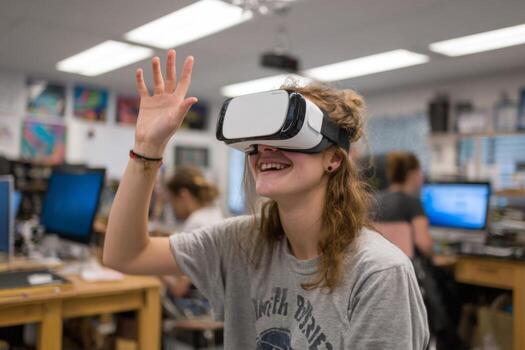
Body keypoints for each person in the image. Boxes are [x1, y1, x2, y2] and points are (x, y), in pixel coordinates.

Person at [103, 50, 429, 349]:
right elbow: (125, 254)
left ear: (333, 158)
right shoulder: (241, 242)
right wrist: (147, 148)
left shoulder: (379, 273)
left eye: (287, 136)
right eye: (259, 141)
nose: (266, 150)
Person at [374, 151, 433, 257]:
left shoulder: (374, 200)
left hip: (380, 265)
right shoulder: (413, 204)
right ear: (412, 174)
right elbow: (423, 244)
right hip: (408, 268)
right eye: (420, 172)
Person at [166, 165, 223, 232]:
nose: (173, 207)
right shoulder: (214, 212)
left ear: (184, 196)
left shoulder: (196, 224)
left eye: (173, 201)